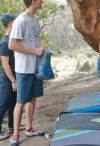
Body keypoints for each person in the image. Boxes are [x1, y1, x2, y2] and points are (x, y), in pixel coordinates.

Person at [9, 0, 45, 145]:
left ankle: (29, 128)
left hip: (36, 67)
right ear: (33, 1)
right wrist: (34, 51)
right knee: (21, 101)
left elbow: (34, 42)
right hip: (23, 69)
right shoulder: (20, 21)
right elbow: (12, 45)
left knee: (33, 98)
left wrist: (41, 53)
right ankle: (15, 135)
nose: (42, 1)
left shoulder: (35, 19)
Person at [0, 13, 16, 141]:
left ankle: (11, 127)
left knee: (13, 103)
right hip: (7, 79)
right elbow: (5, 64)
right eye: (15, 20)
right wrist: (13, 80)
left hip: (13, 78)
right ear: (11, 23)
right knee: (3, 105)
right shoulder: (5, 42)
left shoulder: (11, 40)